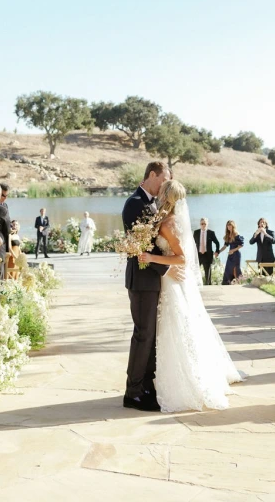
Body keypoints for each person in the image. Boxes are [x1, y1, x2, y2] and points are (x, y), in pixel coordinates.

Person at [138, 180, 241, 412]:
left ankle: (184, 383)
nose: (158, 194)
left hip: (171, 281)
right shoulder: (169, 220)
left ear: (166, 196)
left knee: (176, 328)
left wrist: (151, 258)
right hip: (170, 279)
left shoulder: (169, 223)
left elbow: (182, 258)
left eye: (161, 191)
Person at [122, 161, 176, 412]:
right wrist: (167, 267)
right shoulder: (135, 203)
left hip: (152, 279)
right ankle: (132, 393)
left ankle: (146, 387)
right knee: (143, 335)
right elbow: (139, 246)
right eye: (163, 179)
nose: (165, 184)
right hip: (142, 279)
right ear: (152, 175)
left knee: (150, 336)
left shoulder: (152, 202)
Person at [194, 217, 220, 285]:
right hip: (198, 255)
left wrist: (217, 251)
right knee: (195, 271)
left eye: (205, 224)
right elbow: (192, 243)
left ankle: (208, 285)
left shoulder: (211, 233)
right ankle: (195, 284)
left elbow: (217, 242)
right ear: (200, 224)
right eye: (202, 224)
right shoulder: (196, 232)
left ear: (207, 224)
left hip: (207, 255)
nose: (203, 225)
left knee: (207, 273)